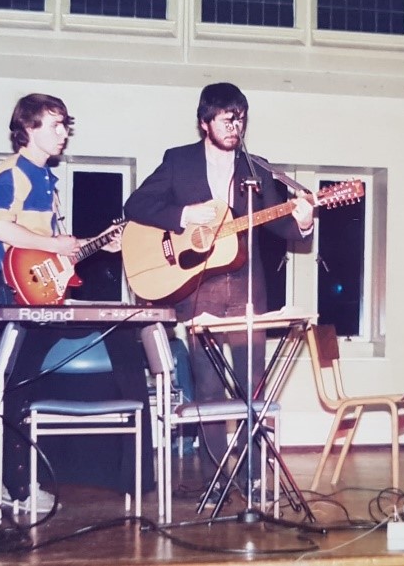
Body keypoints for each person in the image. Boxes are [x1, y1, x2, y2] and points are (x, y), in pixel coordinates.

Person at [124, 82, 314, 505]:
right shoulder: (179, 162)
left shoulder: (257, 169)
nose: (235, 125)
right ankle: (214, 478)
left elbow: (279, 225)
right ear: (204, 122)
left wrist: (302, 221)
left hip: (248, 288)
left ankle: (249, 476)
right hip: (197, 289)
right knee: (208, 390)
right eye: (226, 118)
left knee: (252, 387)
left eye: (241, 117)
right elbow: (134, 206)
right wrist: (183, 215)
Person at [0, 93, 153, 509]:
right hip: (15, 293)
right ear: (28, 128)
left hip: (41, 291)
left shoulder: (46, 181)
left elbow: (55, 250)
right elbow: (0, 230)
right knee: (15, 385)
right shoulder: (11, 175)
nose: (63, 134)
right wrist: (53, 242)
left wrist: (96, 245)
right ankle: (7, 483)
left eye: (65, 126)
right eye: (55, 125)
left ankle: (134, 472)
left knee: (120, 339)